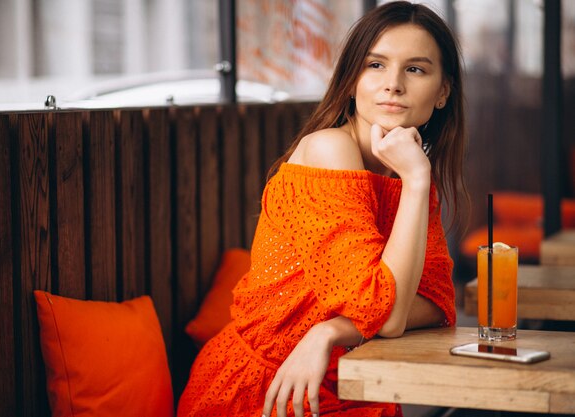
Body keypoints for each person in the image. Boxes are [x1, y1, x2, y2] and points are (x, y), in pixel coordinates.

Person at [177, 2, 467, 416]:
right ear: (351, 80)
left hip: (354, 387)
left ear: (443, 92)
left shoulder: (409, 169)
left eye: (416, 69)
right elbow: (384, 315)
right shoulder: (330, 149)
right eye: (376, 65)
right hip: (264, 390)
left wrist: (329, 331)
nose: (393, 85)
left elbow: (437, 305)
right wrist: (418, 183)